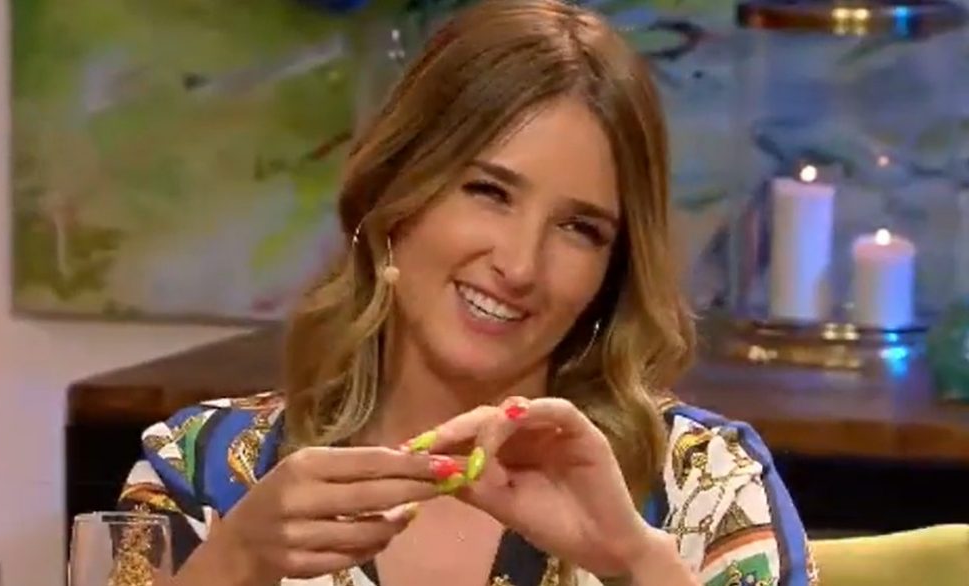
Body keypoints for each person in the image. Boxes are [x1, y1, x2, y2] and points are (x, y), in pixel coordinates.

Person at [117, 1, 817, 585]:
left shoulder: (707, 487)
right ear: (396, 193)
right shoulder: (202, 471)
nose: (520, 265)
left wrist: (634, 563)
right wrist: (236, 561)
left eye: (579, 229)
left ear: (614, 269)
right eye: (489, 192)